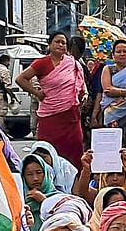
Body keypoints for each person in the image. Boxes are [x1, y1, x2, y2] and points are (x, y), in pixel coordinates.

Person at [17, 31, 89, 168]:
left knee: (74, 153)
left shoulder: (73, 64)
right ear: (49, 44)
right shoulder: (41, 63)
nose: (61, 45)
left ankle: (75, 185)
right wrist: (36, 93)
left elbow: (81, 86)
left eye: (64, 43)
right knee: (46, 153)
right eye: (57, 42)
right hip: (50, 116)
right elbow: (20, 79)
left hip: (71, 117)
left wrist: (83, 95)